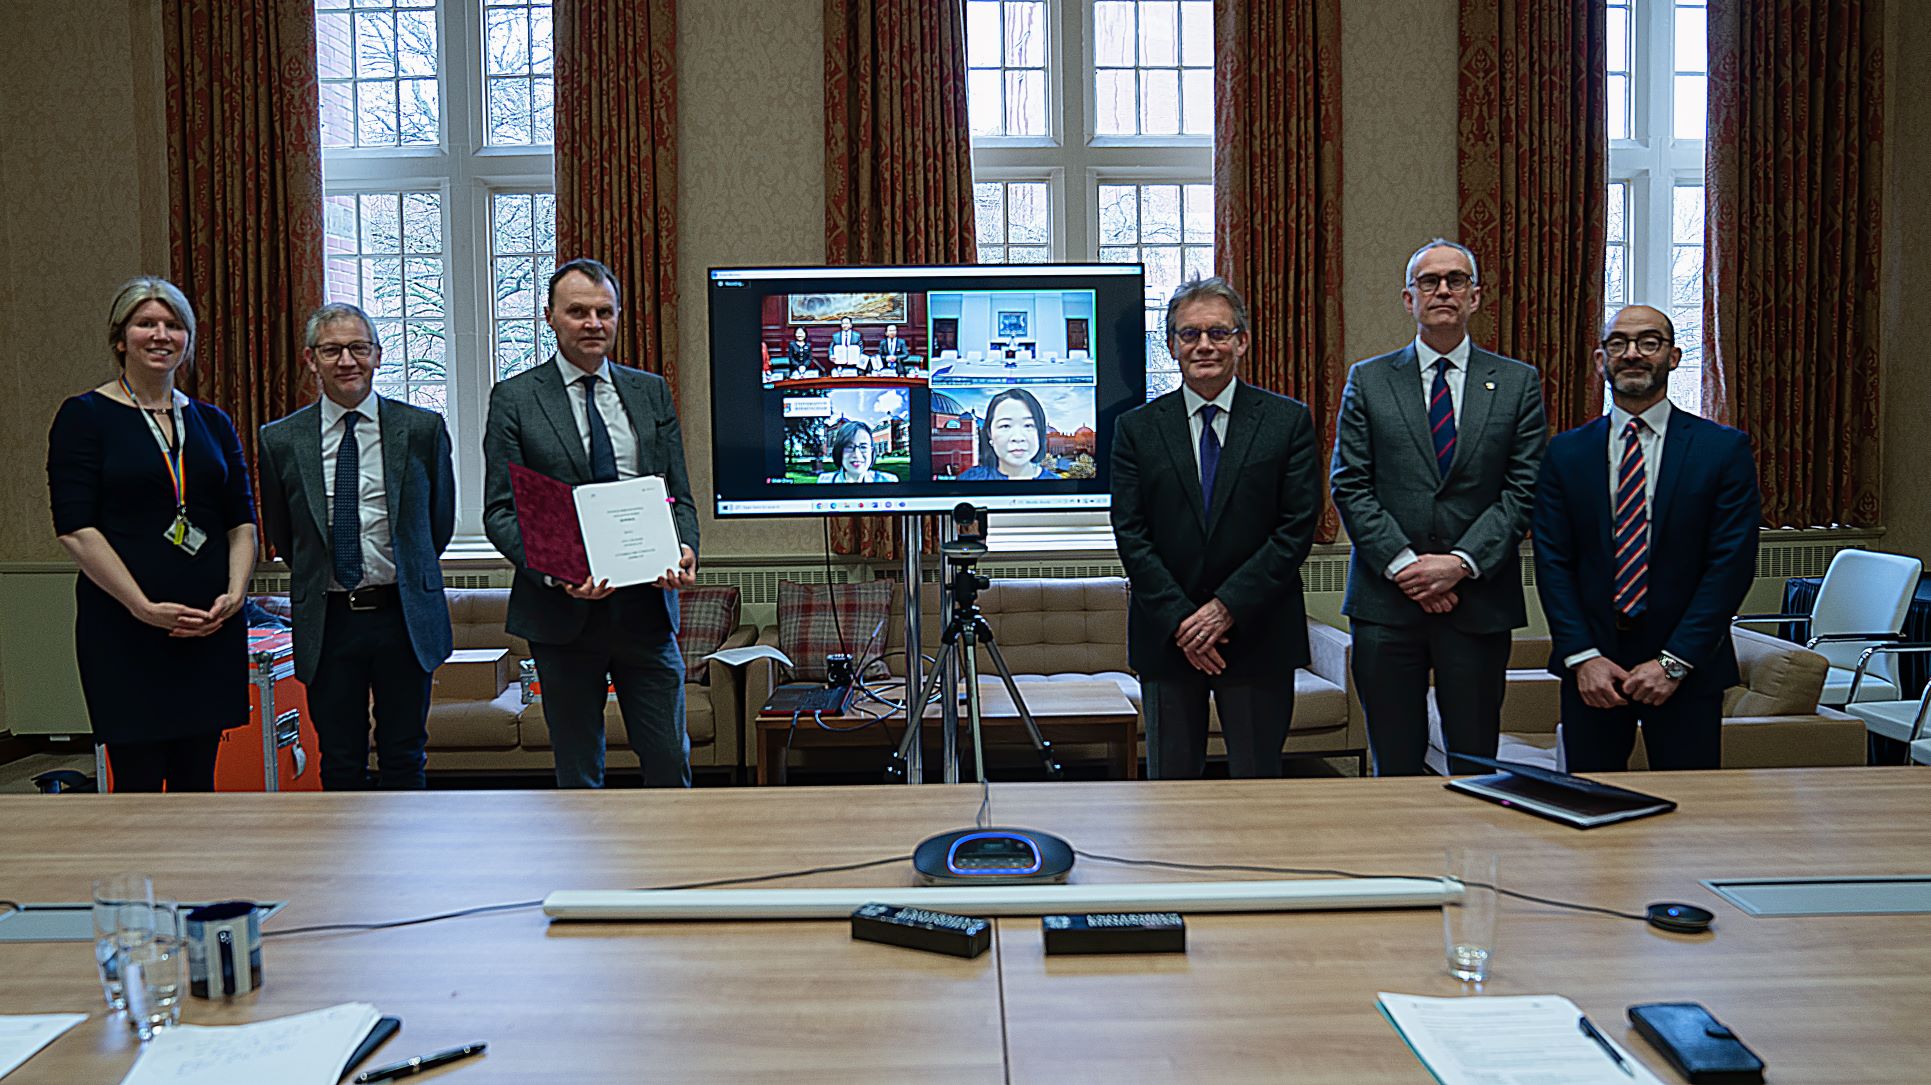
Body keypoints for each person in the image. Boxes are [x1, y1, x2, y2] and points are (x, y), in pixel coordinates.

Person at [1329, 239, 1547, 776]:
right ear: (1409, 299)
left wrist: (1458, 565)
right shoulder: (1369, 379)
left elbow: (1524, 489)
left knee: (1475, 764)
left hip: (1477, 602)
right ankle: (1402, 863)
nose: (1443, 290)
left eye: (1456, 280)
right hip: (1386, 603)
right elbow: (1350, 484)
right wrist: (1408, 567)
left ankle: (1472, 863)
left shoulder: (1518, 382)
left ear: (1475, 296)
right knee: (1395, 764)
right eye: (1430, 282)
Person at [483, 258, 701, 789]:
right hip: (563, 615)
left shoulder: (649, 391)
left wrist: (685, 547)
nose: (593, 323)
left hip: (647, 611)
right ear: (550, 318)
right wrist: (558, 572)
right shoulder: (515, 398)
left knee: (671, 763)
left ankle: (675, 870)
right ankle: (586, 872)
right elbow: (500, 511)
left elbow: (679, 496)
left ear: (618, 317)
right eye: (577, 312)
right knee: (580, 774)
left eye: (604, 311)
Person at [47, 278, 257, 792]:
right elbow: (75, 528)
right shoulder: (85, 417)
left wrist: (235, 594)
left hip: (209, 627)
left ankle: (192, 876)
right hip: (126, 629)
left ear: (187, 338)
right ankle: (136, 875)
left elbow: (242, 521)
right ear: (121, 338)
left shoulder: (212, 420)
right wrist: (142, 606)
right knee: (138, 783)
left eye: (174, 325)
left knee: (197, 780)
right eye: (146, 324)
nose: (161, 335)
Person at [1110, 277, 1322, 778]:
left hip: (1257, 635)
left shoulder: (1286, 421)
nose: (1204, 345)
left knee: (1256, 789)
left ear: (1242, 341)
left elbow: (1295, 528)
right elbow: (1131, 533)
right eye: (1189, 334)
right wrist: (1186, 622)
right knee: (1171, 793)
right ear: (1171, 345)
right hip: (1170, 638)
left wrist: (1225, 610)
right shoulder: (1136, 428)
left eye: (1218, 333)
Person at [1533, 305, 1760, 771]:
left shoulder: (1722, 449)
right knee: (1590, 809)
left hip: (1687, 669)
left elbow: (1730, 566)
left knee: (1690, 825)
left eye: (1649, 342)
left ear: (1673, 356)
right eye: (1618, 343)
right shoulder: (1565, 453)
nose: (1632, 353)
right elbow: (1553, 563)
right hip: (1592, 670)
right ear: (1601, 360)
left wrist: (1674, 663)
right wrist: (1583, 657)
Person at [257, 303, 455, 790]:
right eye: (332, 350)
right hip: (329, 620)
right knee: (340, 758)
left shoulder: (422, 430)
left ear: (377, 356)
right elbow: (285, 534)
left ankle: (407, 864)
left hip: (402, 615)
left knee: (405, 754)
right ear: (310, 359)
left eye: (358, 348)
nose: (347, 360)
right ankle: (346, 864)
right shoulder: (280, 440)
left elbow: (438, 525)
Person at [958, 388, 1059, 480]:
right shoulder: (969, 480)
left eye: (1028, 425)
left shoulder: (1057, 485)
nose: (1018, 437)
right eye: (1005, 426)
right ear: (989, 433)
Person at [815, 420, 892, 482]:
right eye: (849, 447)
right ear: (839, 451)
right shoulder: (825, 481)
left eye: (863, 447)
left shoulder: (888, 481)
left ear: (871, 451)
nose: (857, 454)